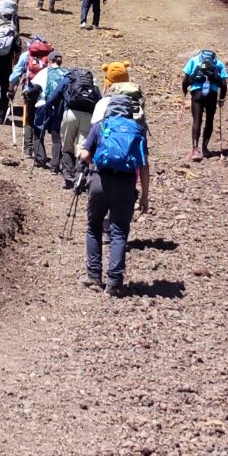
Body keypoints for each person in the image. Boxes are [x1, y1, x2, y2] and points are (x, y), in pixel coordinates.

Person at [78, 73, 150, 294]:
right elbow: (144, 166)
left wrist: (93, 161)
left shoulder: (101, 126)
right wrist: (145, 196)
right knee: (119, 232)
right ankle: (114, 282)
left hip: (100, 180)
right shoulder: (138, 130)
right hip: (126, 185)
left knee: (93, 227)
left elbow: (83, 154)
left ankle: (94, 276)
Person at [52, 62, 103, 183]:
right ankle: (79, 176)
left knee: (67, 144)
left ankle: (67, 174)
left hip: (70, 113)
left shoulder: (69, 80)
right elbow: (99, 101)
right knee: (82, 146)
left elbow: (56, 94)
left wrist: (50, 107)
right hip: (88, 116)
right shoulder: (94, 85)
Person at [180, 47, 228, 159]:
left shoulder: (194, 60)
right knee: (209, 121)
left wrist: (184, 92)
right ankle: (205, 148)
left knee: (197, 120)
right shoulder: (219, 63)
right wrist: (221, 99)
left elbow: (185, 81)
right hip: (211, 94)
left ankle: (195, 150)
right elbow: (224, 85)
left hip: (197, 93)